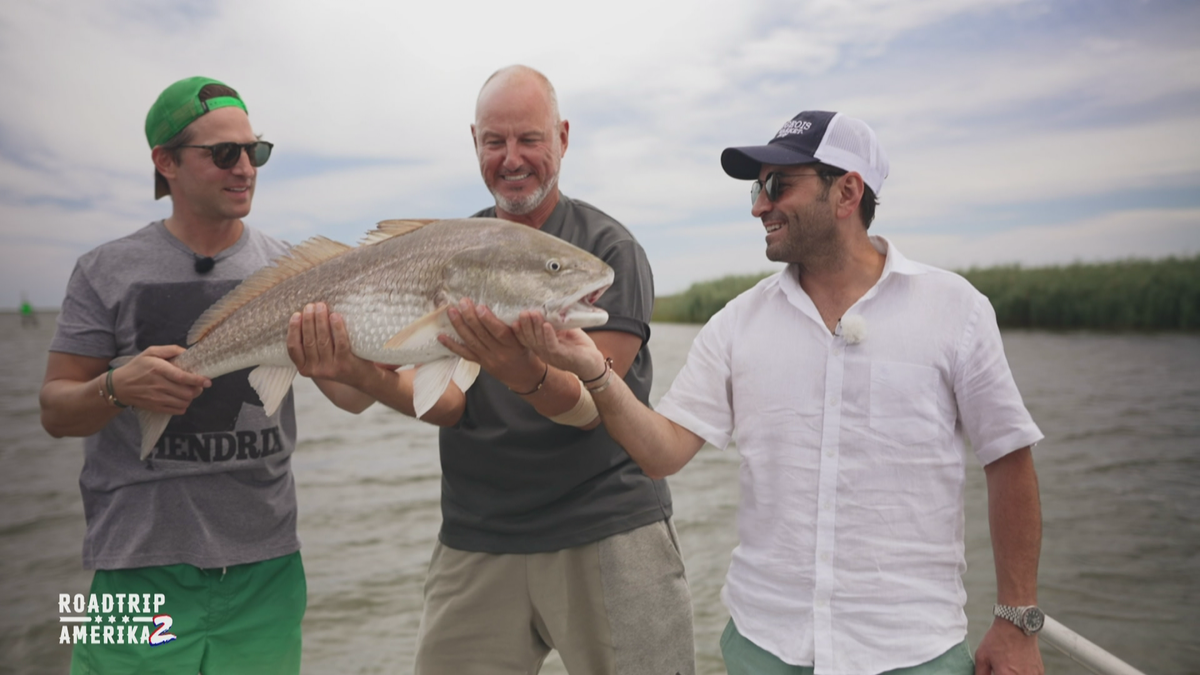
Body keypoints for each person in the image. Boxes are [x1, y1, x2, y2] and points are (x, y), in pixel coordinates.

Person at [513, 111, 1046, 675]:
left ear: (847, 191)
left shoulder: (955, 309)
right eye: (756, 187)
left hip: (913, 652)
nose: (758, 205)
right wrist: (593, 368)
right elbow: (660, 451)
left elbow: (1008, 459)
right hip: (764, 649)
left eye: (776, 186)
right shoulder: (736, 323)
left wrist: (1017, 619)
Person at [285, 65, 695, 674]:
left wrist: (515, 364)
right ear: (474, 143)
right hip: (477, 535)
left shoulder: (606, 253)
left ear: (562, 137)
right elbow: (449, 404)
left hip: (607, 528)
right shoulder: (455, 245)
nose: (512, 159)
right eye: (493, 142)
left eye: (529, 139)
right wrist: (359, 370)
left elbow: (593, 403)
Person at [39, 76, 334, 675]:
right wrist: (117, 388)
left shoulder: (293, 267)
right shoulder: (102, 270)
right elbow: (54, 410)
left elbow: (351, 394)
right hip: (131, 564)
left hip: (268, 565)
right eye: (225, 153)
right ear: (165, 162)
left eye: (257, 151)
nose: (245, 167)